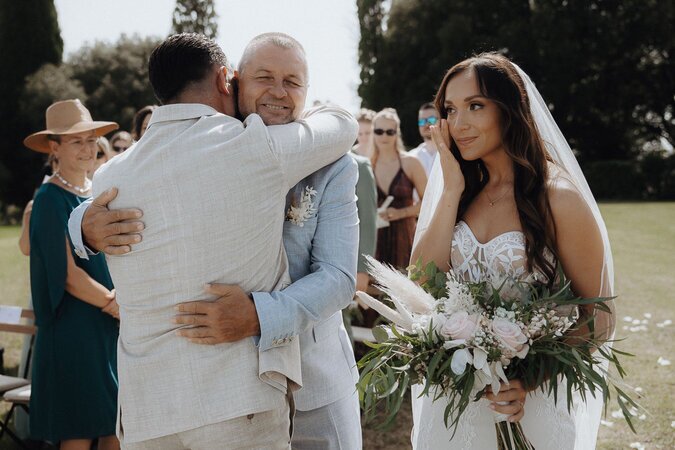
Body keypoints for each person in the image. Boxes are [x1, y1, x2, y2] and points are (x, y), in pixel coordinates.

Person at [73, 32, 363, 450]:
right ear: (232, 80)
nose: (279, 92)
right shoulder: (246, 145)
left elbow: (338, 277)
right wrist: (82, 224)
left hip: (314, 380)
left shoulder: (333, 162)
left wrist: (261, 316)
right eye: (264, 77)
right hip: (238, 394)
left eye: (293, 82)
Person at [410, 53, 615, 449]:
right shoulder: (461, 192)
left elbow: (600, 317)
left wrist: (529, 380)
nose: (459, 123)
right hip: (453, 403)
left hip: (527, 403)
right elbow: (419, 280)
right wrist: (450, 190)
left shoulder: (558, 199)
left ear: (509, 110)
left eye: (475, 106)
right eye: (450, 110)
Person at [23, 99, 120, 450]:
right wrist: (116, 304)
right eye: (76, 140)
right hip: (73, 328)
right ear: (54, 147)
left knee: (115, 426)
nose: (88, 148)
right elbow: (66, 276)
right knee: (79, 431)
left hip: (107, 326)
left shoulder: (98, 194)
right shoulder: (48, 199)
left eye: (91, 139)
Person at [370, 108, 427, 269]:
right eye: (379, 131)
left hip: (406, 239)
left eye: (390, 132)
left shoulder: (411, 163)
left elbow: (429, 202)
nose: (384, 136)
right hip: (374, 240)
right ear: (373, 132)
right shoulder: (367, 165)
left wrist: (401, 213)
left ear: (397, 133)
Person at [408, 102, 440, 177]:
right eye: (422, 121)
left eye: (431, 120)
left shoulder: (452, 153)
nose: (426, 124)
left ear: (440, 121)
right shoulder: (411, 156)